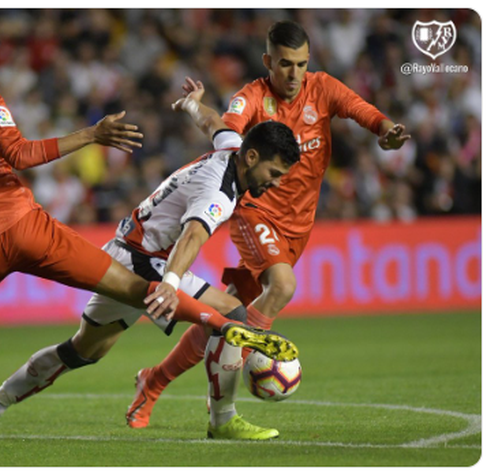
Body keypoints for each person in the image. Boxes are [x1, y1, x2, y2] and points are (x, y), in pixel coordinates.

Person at [0, 22, 287, 446]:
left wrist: (192, 106)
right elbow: (21, 154)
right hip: (44, 233)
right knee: (216, 309)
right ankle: (222, 397)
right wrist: (92, 135)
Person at [0, 79, 300, 441]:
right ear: (251, 157)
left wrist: (190, 104)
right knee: (230, 316)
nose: (276, 183)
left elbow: (212, 122)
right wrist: (170, 285)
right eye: (274, 174)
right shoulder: (218, 189)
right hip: (139, 262)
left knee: (83, 350)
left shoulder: (233, 148)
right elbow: (193, 235)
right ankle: (223, 420)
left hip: (140, 253)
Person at [126, 19, 411, 429]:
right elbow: (226, 129)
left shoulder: (324, 88)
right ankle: (222, 409)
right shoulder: (252, 97)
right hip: (255, 214)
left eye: (300, 64)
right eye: (284, 64)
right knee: (282, 286)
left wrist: (386, 130)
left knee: (224, 320)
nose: (293, 74)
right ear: (267, 61)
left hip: (299, 227)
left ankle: (152, 382)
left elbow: (361, 110)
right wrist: (197, 109)